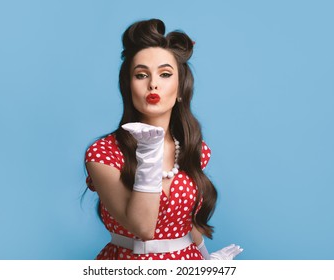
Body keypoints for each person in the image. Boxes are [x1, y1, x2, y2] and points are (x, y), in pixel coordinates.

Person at [84, 18, 243, 260]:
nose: (153, 84)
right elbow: (143, 228)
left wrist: (207, 261)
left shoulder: (194, 149)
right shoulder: (103, 154)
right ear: (128, 87)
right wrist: (150, 151)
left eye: (165, 74)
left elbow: (187, 223)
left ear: (180, 89)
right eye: (141, 75)